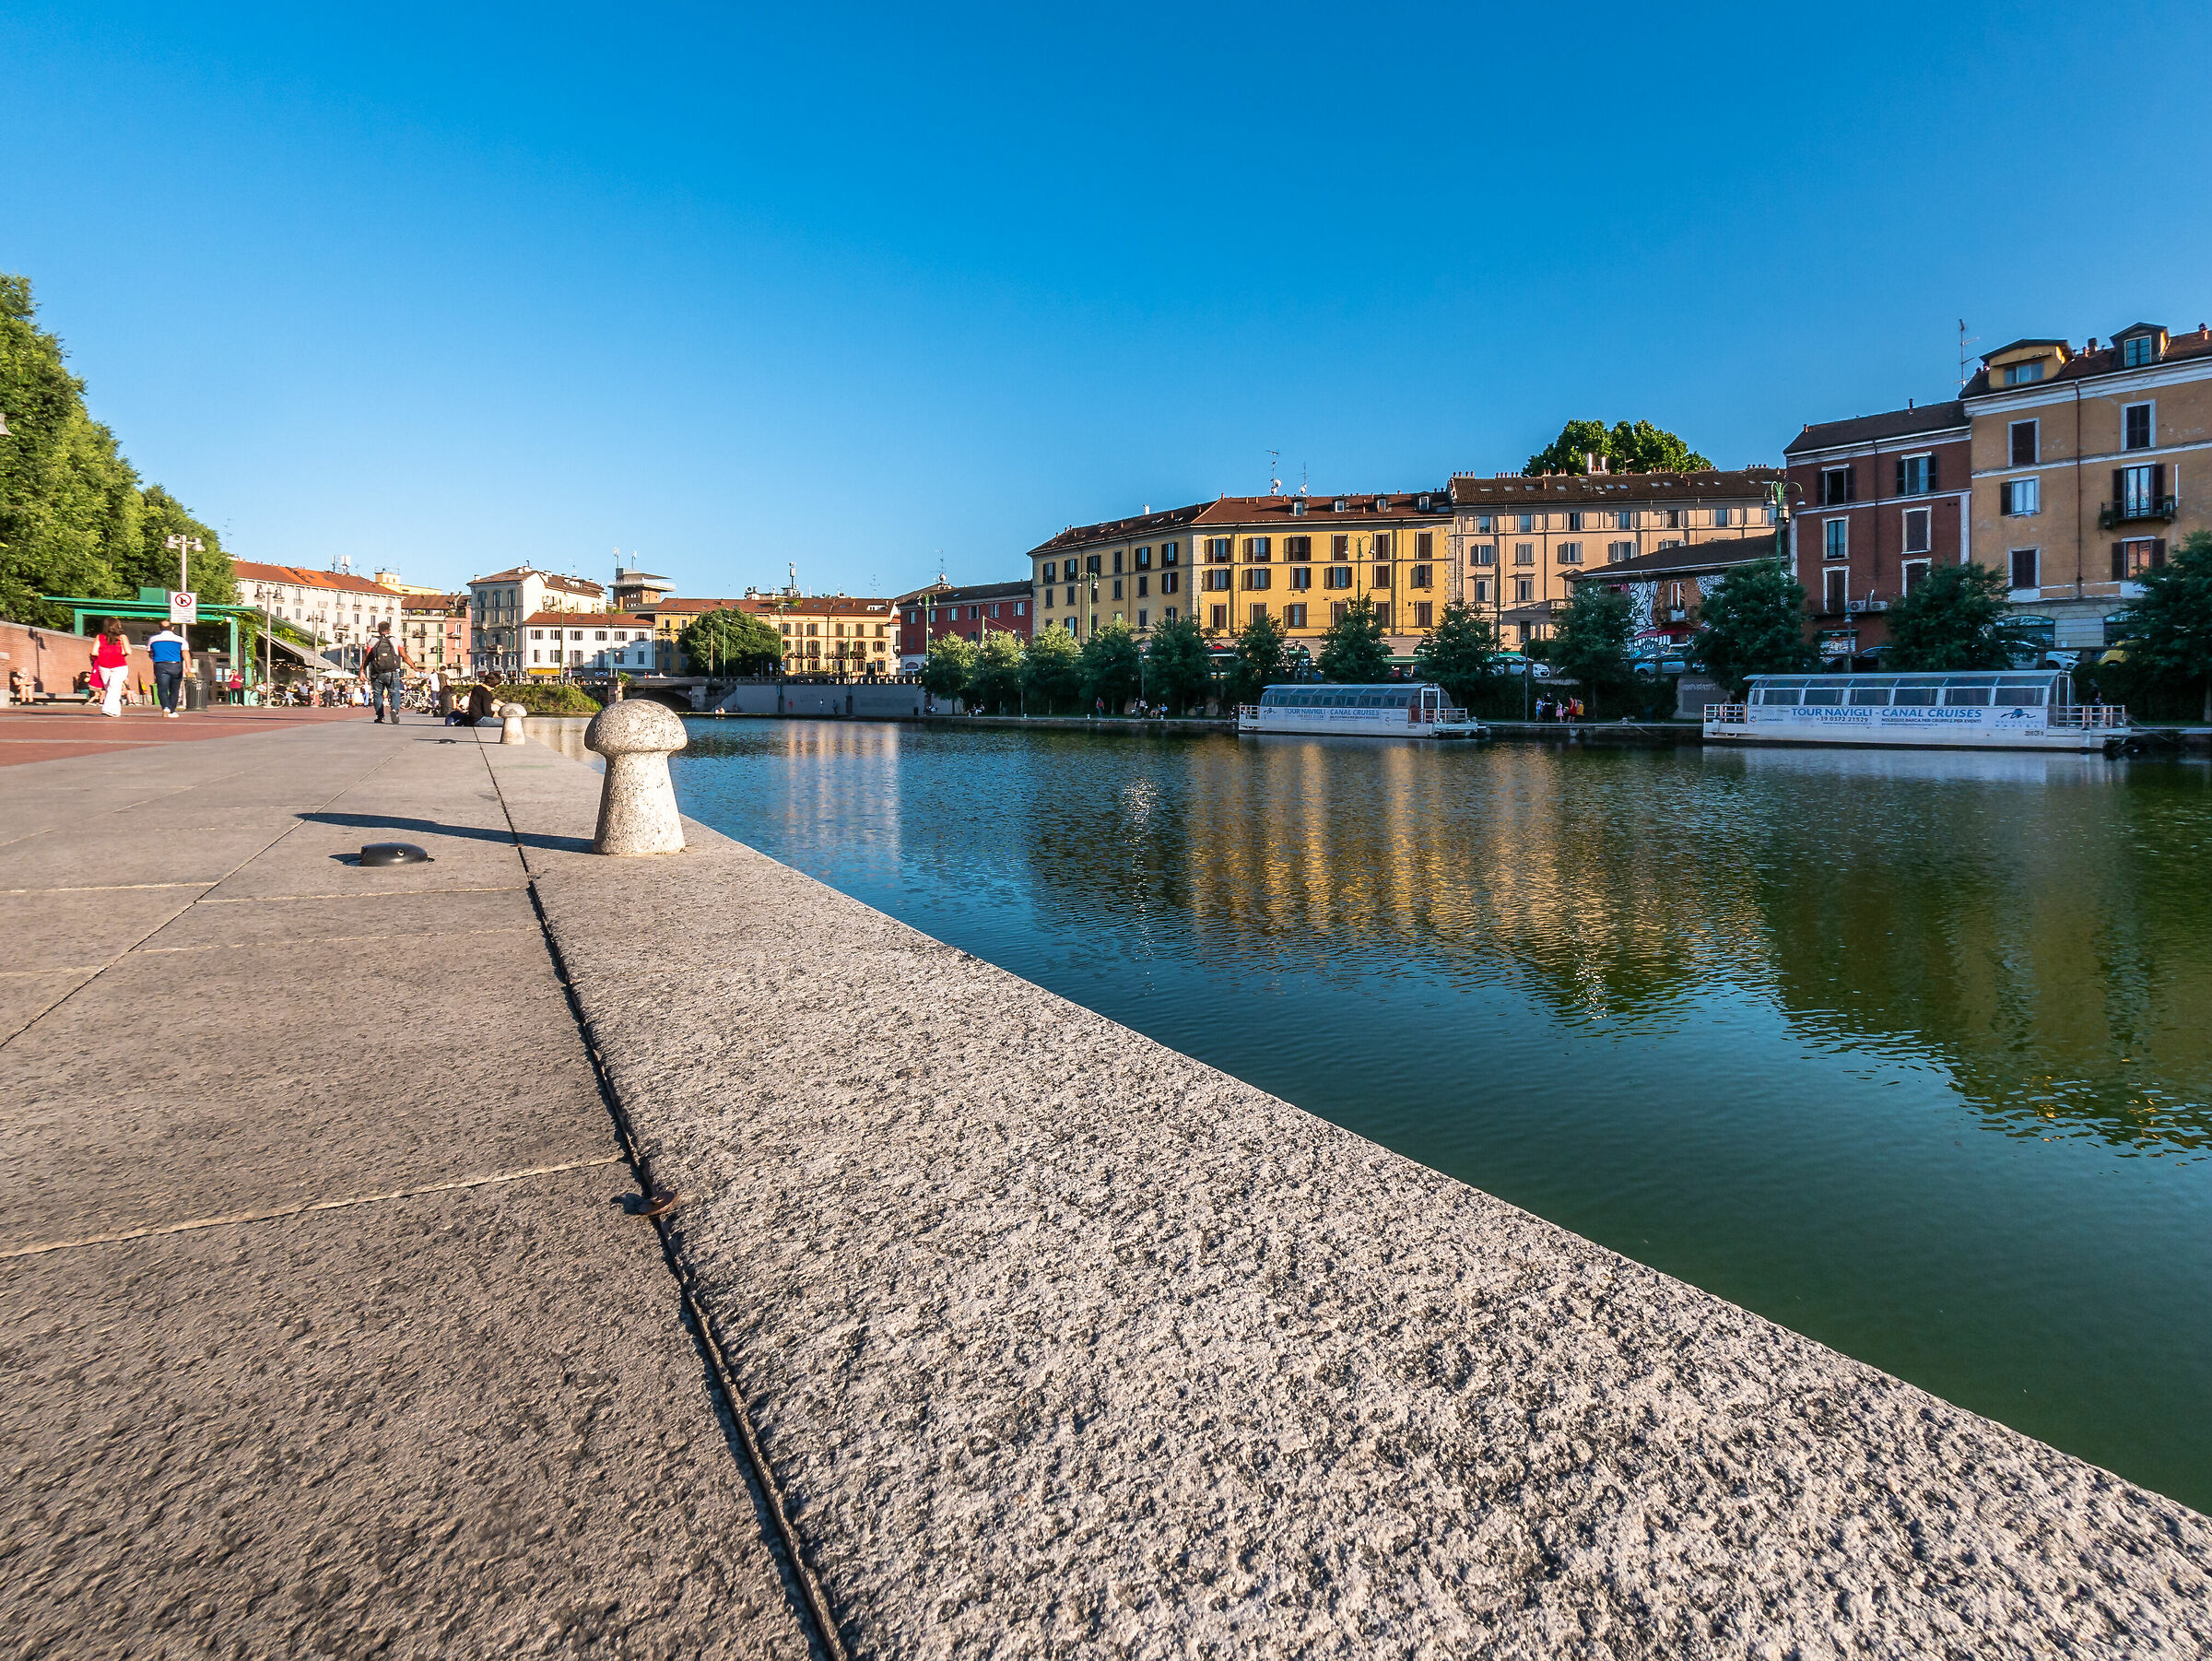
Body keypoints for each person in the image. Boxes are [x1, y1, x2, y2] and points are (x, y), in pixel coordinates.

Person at [360, 621, 413, 723]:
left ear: (378, 630)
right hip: (392, 672)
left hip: (376, 672)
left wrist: (362, 671)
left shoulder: (373, 640)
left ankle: (380, 717)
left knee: (377, 694)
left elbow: (367, 657)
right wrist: (414, 668)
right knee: (394, 692)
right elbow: (404, 656)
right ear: (389, 629)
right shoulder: (395, 640)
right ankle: (394, 710)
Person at [147, 619, 190, 718]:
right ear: (172, 628)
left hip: (160, 665)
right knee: (174, 689)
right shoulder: (180, 640)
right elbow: (185, 653)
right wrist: (188, 666)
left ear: (159, 628)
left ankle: (165, 707)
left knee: (162, 688)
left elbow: (150, 652)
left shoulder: (153, 639)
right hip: (176, 665)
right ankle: (172, 710)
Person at [91, 618, 132, 717]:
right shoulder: (122, 637)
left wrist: (104, 653)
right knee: (113, 688)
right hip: (119, 665)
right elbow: (128, 651)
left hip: (104, 666)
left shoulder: (100, 637)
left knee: (111, 688)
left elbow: (94, 652)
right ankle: (115, 711)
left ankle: (107, 709)